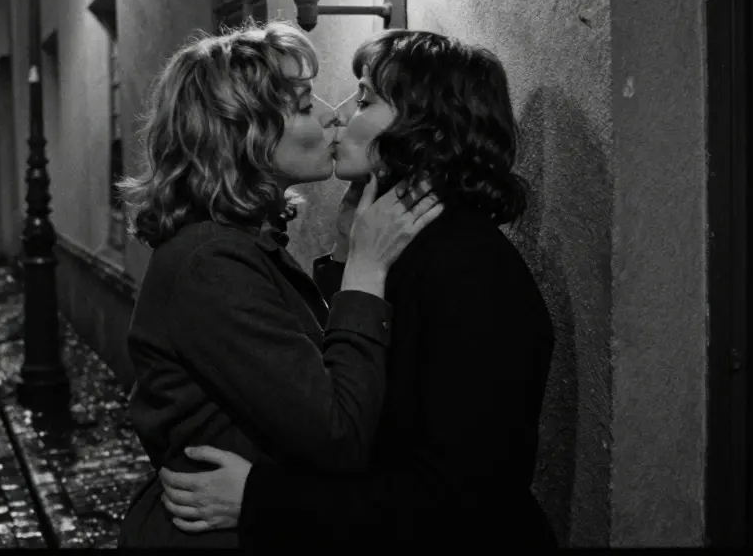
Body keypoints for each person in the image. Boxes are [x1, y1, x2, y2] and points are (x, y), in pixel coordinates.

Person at [158, 30, 558, 549]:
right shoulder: (403, 251)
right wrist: (351, 257)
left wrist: (263, 499)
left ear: (425, 126)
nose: (339, 113)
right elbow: (350, 394)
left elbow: (462, 493)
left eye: (365, 98)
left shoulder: (468, 266)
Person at [116, 22, 443, 548]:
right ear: (241, 131)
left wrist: (343, 251)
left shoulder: (236, 244)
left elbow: (307, 366)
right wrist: (364, 270)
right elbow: (339, 432)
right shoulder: (211, 262)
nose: (331, 113)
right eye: (301, 103)